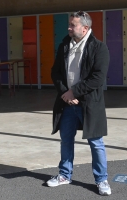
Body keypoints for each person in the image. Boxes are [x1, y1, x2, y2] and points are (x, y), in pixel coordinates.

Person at [47, 11, 111, 196]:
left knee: (96, 142)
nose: (68, 28)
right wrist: (65, 94)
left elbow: (97, 78)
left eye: (72, 25)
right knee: (66, 140)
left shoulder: (99, 48)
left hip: (89, 104)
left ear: (85, 28)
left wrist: (74, 91)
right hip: (67, 103)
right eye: (69, 24)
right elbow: (55, 72)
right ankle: (64, 175)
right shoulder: (65, 45)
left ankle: (102, 179)